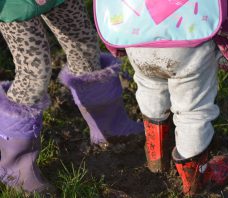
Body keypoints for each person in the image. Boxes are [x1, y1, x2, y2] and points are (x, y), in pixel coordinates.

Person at [97, 0, 228, 196]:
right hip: (189, 34)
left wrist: (115, 42)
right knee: (193, 109)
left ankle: (157, 155)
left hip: (136, 30)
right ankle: (196, 178)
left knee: (150, 85)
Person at [0, 0, 143, 195]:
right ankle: (16, 167)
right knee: (35, 70)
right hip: (14, 4)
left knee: (84, 45)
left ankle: (110, 127)